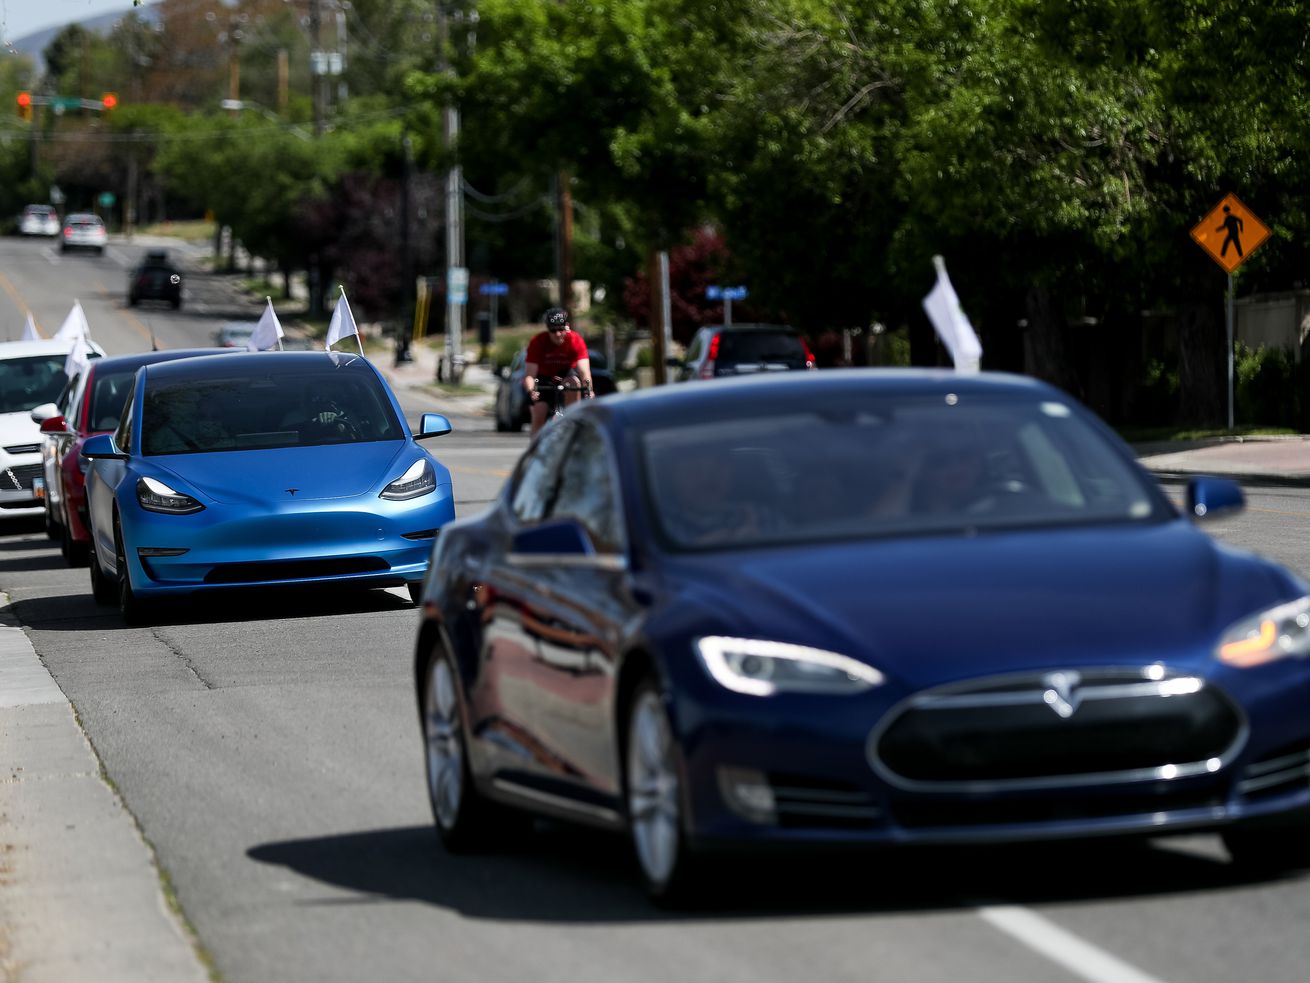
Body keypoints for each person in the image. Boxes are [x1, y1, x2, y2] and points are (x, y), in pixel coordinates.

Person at [522, 307, 593, 435]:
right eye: (553, 330)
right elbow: (530, 375)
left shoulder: (575, 340)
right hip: (543, 377)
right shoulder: (538, 342)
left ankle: (571, 420)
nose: (558, 334)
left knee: (574, 382)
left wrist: (589, 389)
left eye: (561, 329)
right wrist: (531, 391)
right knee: (539, 413)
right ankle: (536, 448)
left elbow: (584, 371)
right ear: (548, 329)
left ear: (567, 326)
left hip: (565, 373)